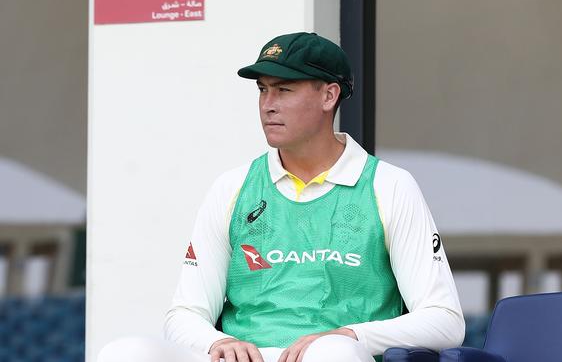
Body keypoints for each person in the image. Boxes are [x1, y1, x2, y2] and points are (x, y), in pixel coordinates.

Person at [98, 32, 464, 362]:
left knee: (331, 354)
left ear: (329, 95)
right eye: (262, 89)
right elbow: (184, 315)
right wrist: (214, 343)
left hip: (337, 357)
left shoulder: (390, 185)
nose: (268, 104)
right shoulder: (233, 186)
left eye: (284, 90)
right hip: (243, 359)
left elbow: (444, 321)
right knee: (123, 353)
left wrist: (352, 335)